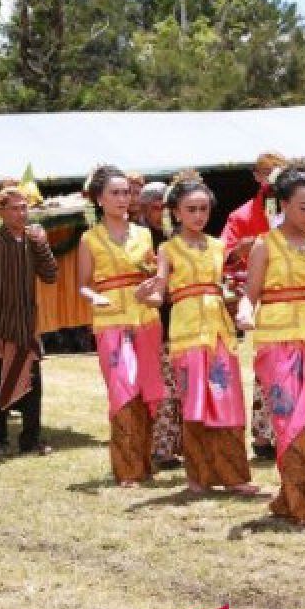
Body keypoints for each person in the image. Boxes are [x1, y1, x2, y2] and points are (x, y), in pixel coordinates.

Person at [237, 160, 305, 526]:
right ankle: (300, 504)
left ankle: (298, 496)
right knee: (290, 419)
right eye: (302, 207)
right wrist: (245, 313)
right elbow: (250, 294)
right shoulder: (266, 245)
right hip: (277, 342)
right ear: (283, 203)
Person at [155, 173, 258, 495]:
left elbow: (235, 280)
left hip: (219, 332)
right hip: (187, 333)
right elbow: (160, 291)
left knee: (227, 401)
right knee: (194, 403)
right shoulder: (167, 249)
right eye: (191, 209)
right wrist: (147, 296)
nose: (199, 215)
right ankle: (196, 477)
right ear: (176, 212)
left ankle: (235, 476)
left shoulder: (219, 247)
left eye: (203, 209)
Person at [78, 164, 165, 487]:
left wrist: (154, 292)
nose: (121, 198)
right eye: (114, 193)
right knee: (123, 389)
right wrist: (95, 298)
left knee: (146, 390)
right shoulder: (90, 239)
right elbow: (83, 284)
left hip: (145, 319)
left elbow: (156, 278)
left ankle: (143, 463)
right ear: (99, 199)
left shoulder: (143, 235)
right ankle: (127, 469)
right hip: (111, 321)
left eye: (126, 192)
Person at [0, 187, 59, 457]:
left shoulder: (33, 241)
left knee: (32, 384)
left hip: (26, 325)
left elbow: (51, 275)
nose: (21, 213)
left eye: (24, 208)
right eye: (15, 208)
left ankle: (31, 439)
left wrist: (42, 243)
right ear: (0, 212)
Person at [220, 150, 288, 460]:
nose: (274, 177)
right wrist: (240, 251)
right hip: (258, 298)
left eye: (280, 171)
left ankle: (290, 426)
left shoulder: (296, 208)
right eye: (268, 172)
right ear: (257, 176)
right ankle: (263, 434)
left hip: (291, 295)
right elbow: (222, 256)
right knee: (268, 365)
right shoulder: (242, 215)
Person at [139, 180, 183, 469]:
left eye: (165, 208)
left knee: (181, 388)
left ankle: (178, 444)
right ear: (143, 208)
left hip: (181, 319)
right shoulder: (140, 238)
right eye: (156, 208)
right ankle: (160, 448)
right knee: (162, 390)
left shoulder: (177, 236)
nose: (161, 213)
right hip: (152, 320)